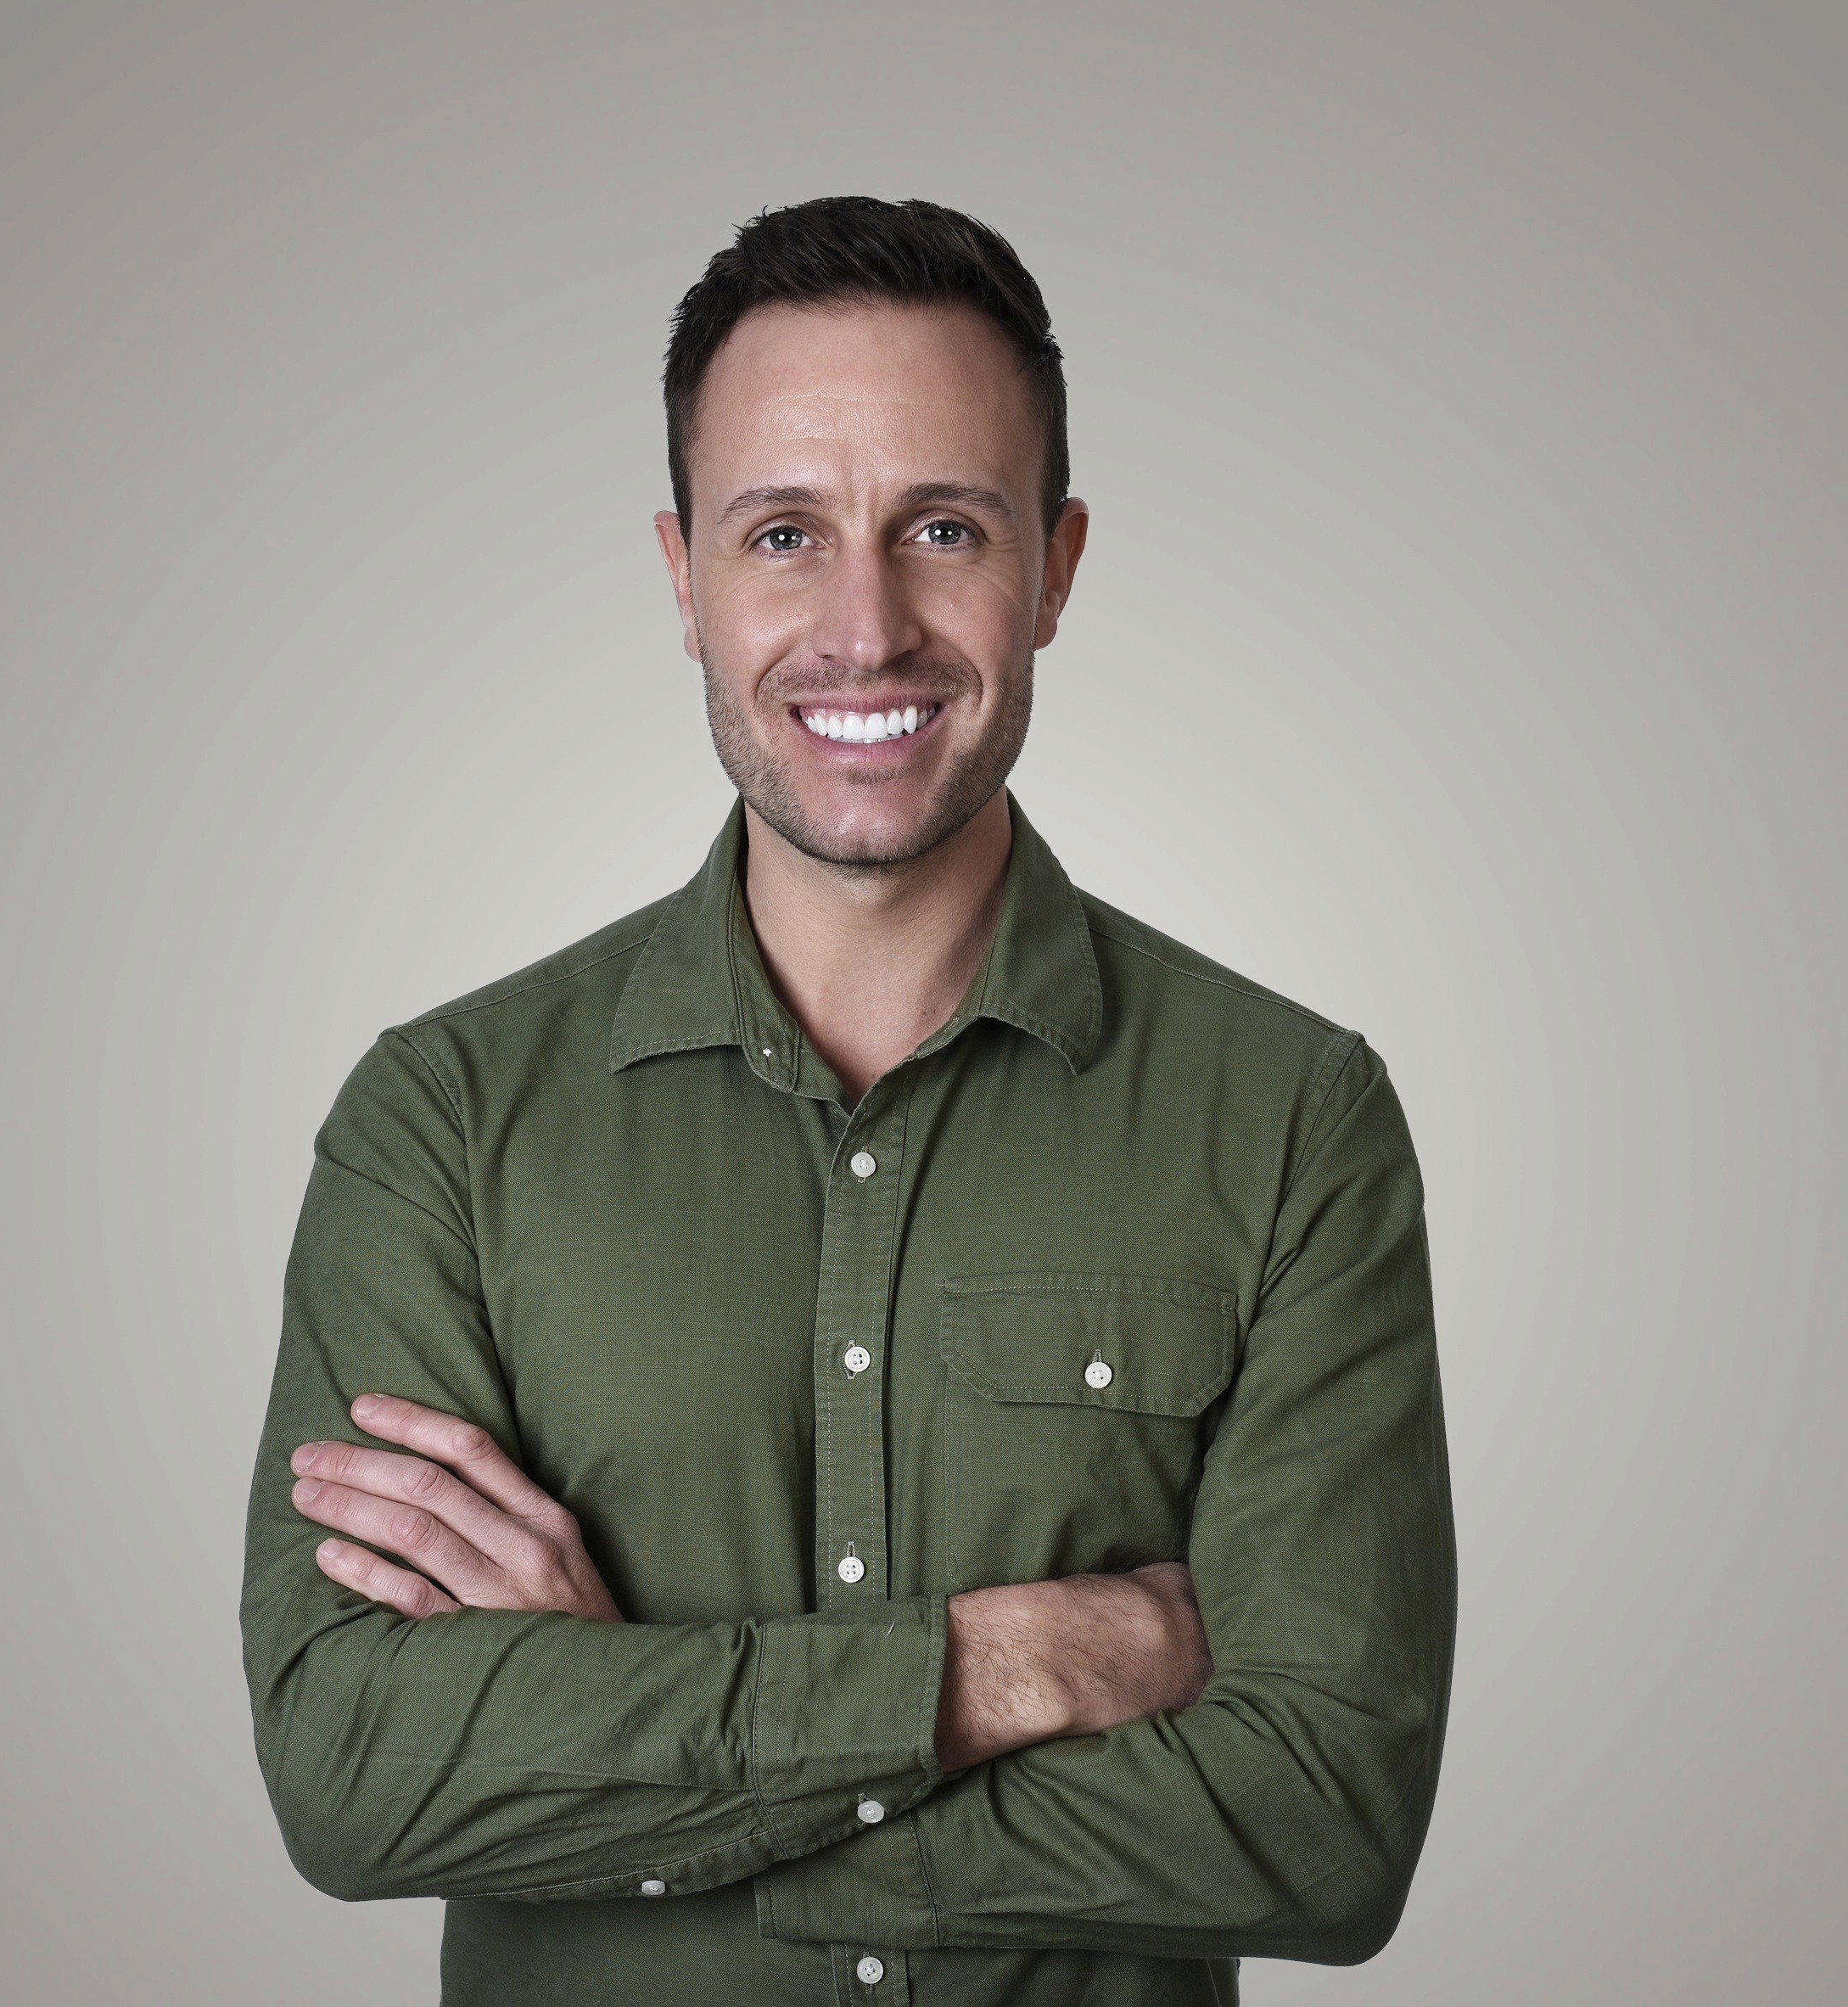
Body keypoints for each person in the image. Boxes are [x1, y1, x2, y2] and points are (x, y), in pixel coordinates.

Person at [240, 194, 1458, 2007]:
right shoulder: (444, 1120)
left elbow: (1324, 1826)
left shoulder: (1291, 1118)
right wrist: (1008, 1668)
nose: (864, 627)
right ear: (683, 579)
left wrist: (637, 1738)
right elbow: (351, 1766)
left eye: (943, 528)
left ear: (1055, 567)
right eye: (784, 534)